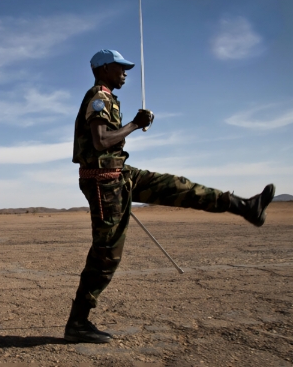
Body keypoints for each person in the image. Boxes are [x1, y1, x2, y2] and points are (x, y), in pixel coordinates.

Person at [65, 49, 276, 344]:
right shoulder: (99, 98)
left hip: (120, 174)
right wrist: (135, 125)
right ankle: (78, 322)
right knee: (106, 254)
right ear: (103, 70)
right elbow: (101, 142)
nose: (126, 72)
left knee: (178, 186)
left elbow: (108, 143)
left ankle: (244, 205)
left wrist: (131, 126)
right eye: (120, 67)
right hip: (104, 184)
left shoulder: (109, 98)